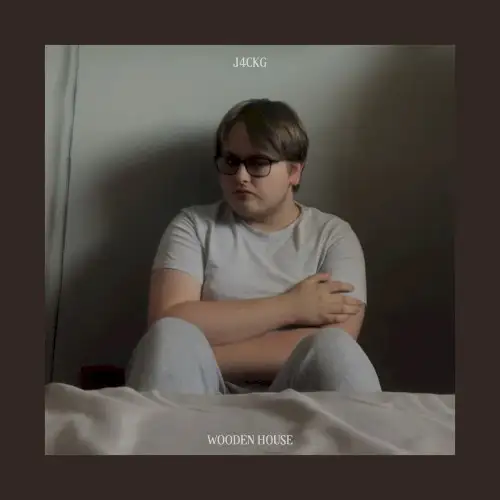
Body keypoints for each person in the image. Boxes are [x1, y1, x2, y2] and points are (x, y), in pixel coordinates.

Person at [126, 98, 381, 395]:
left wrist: (207, 352)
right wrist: (292, 307)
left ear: (294, 172)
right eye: (231, 162)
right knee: (171, 337)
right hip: (201, 391)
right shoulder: (193, 225)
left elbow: (338, 338)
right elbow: (169, 322)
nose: (241, 176)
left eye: (258, 163)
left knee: (333, 348)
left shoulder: (333, 235)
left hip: (298, 395)